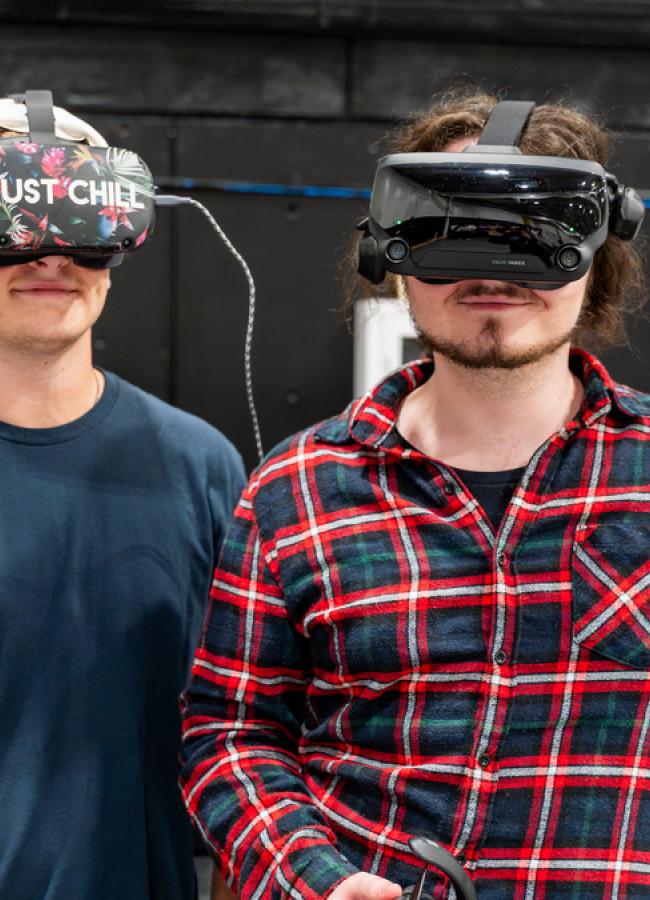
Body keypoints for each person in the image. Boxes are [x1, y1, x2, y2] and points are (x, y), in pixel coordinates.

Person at [180, 92, 650, 899]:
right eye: (450, 228)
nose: (490, 269)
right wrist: (313, 879)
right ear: (389, 252)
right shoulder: (296, 492)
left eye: (534, 232)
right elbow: (228, 733)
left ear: (600, 253)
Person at [0, 94, 246, 899]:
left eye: (80, 222)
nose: (49, 255)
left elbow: (250, 738)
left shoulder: (201, 467)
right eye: (14, 221)